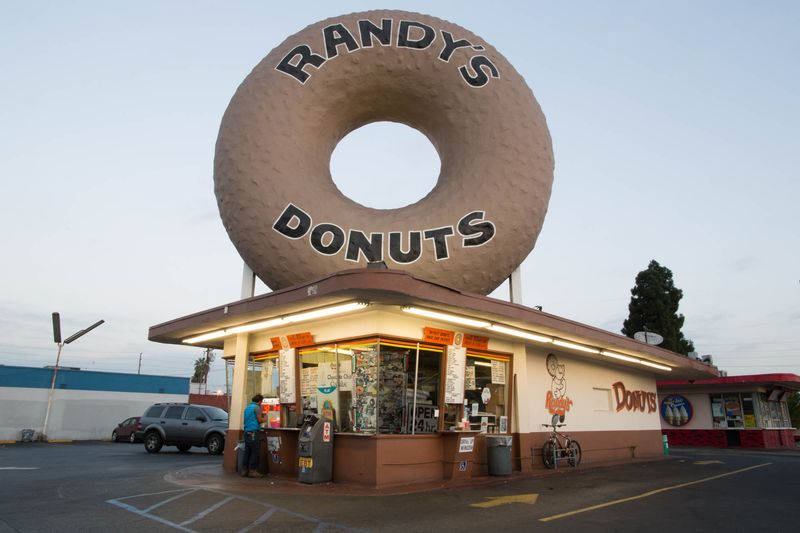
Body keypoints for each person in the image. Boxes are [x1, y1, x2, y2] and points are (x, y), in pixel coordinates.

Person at [241, 394, 267, 478]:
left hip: (246, 431)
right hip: (253, 432)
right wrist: (265, 418)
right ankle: (253, 471)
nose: (261, 403)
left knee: (247, 451)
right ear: (259, 401)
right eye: (261, 402)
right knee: (255, 452)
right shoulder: (257, 408)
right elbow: (259, 420)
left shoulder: (247, 408)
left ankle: (244, 470)